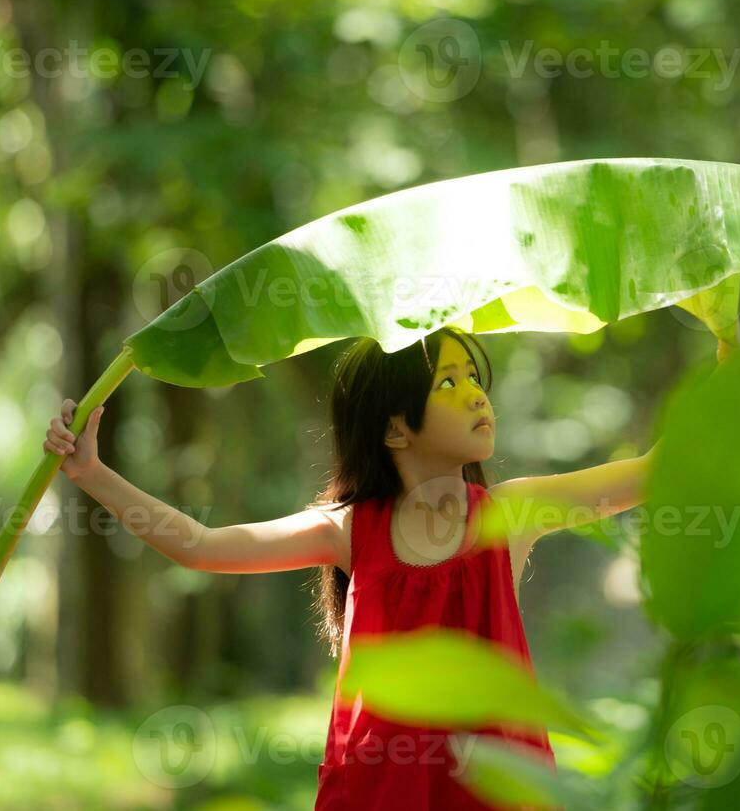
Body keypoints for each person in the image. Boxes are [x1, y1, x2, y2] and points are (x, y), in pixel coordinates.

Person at [44, 324, 656, 809]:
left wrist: (734, 369)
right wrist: (91, 474)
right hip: (378, 795)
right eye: (447, 383)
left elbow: (652, 473)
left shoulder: (513, 512)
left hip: (501, 791)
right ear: (395, 428)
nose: (476, 393)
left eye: (473, 377)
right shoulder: (348, 530)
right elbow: (201, 545)